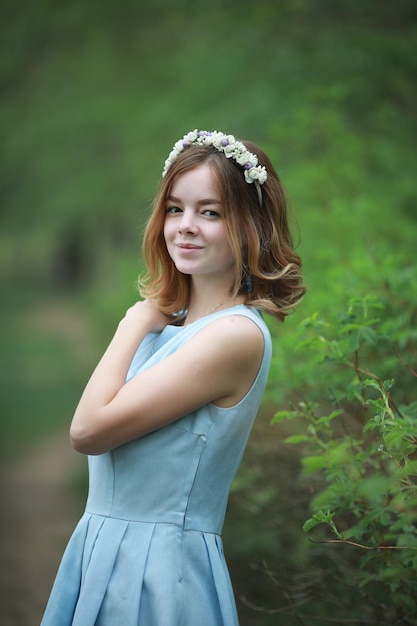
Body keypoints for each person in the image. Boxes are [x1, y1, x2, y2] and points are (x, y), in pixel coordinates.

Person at [41, 129, 306, 626]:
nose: (186, 226)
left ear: (249, 226)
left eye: (210, 212)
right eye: (174, 209)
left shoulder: (233, 336)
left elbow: (87, 430)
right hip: (103, 549)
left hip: (158, 569)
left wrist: (133, 321)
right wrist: (151, 320)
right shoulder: (178, 327)